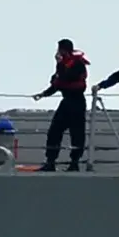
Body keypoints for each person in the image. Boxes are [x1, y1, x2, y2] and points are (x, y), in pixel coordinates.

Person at [31, 39, 88, 171]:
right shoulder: (63, 64)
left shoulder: (77, 64)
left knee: (77, 133)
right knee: (54, 131)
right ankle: (51, 161)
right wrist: (43, 94)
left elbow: (65, 78)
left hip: (77, 101)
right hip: (66, 101)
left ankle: (74, 162)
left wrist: (59, 65)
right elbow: (57, 84)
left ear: (63, 50)